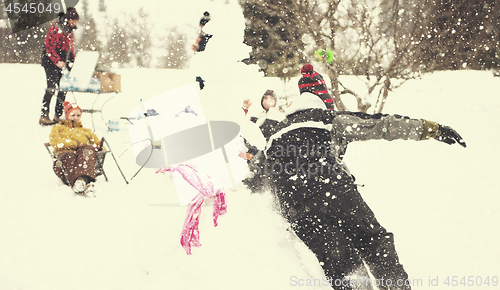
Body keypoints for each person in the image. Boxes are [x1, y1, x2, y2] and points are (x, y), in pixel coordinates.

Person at [263, 92, 466, 289]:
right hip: (334, 191)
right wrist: (430, 129)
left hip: (297, 208)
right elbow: (381, 125)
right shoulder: (325, 118)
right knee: (374, 242)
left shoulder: (272, 137)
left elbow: (258, 177)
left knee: (340, 263)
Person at [49, 101, 102, 197]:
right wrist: (76, 144)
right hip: (62, 162)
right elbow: (56, 142)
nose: (76, 117)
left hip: (83, 160)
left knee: (88, 149)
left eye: (78, 115)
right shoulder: (58, 128)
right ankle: (84, 181)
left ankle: (81, 181)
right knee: (69, 155)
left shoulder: (87, 131)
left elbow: (98, 145)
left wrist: (96, 147)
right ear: (67, 115)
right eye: (73, 115)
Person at [39, 7, 79, 125]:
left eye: (76, 20)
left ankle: (58, 115)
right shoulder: (56, 28)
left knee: (63, 88)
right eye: (72, 20)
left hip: (63, 62)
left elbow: (70, 49)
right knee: (51, 87)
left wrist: (73, 61)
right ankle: (44, 115)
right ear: (67, 19)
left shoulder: (70, 31)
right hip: (50, 62)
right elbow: (49, 47)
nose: (74, 23)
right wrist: (57, 61)